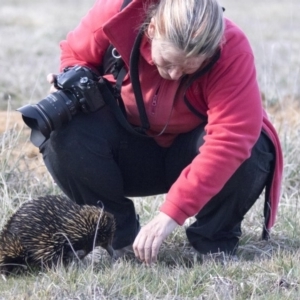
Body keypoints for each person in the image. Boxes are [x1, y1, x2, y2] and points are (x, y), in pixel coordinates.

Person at [41, 0, 283, 265]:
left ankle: (213, 241)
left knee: (255, 143)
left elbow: (232, 137)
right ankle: (118, 237)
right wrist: (71, 81)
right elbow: (76, 55)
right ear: (152, 28)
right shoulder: (116, 13)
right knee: (61, 130)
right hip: (126, 147)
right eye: (168, 61)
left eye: (190, 68)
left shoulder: (232, 48)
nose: (174, 74)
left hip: (193, 153)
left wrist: (172, 214)